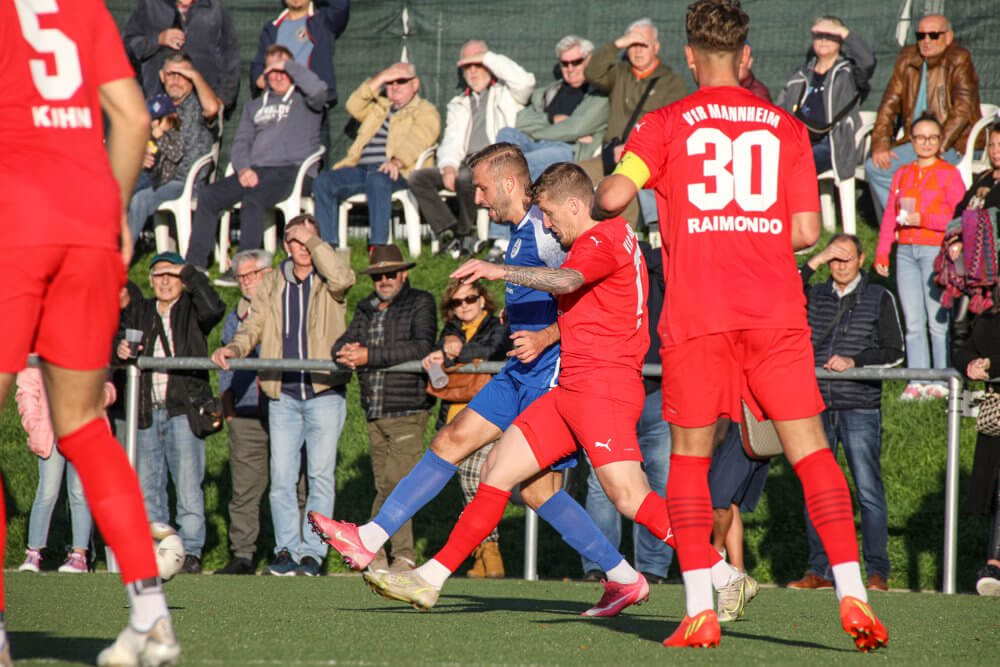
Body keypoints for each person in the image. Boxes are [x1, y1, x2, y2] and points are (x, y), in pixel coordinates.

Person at [592, 0, 888, 650]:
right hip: (774, 311)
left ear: (689, 56)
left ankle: (700, 607)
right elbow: (807, 231)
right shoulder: (786, 127)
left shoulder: (664, 123)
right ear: (745, 55)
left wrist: (613, 184)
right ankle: (854, 593)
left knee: (689, 463)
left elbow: (613, 197)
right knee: (813, 452)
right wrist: (748, 232)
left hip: (699, 315)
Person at [353, 162, 749, 619]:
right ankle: (429, 578)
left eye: (549, 214)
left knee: (629, 497)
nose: (546, 223)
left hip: (603, 390)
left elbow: (566, 279)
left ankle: (723, 574)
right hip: (571, 389)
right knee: (497, 471)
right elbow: (579, 295)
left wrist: (500, 271)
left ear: (575, 205)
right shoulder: (612, 235)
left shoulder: (599, 240)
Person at [1, 1, 180, 664]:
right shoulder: (84, 8)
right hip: (87, 222)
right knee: (82, 427)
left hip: (14, 218)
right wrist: (116, 209)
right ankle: (151, 616)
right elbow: (132, 117)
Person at [212, 215, 355, 577]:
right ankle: (286, 550)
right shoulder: (274, 281)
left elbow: (344, 279)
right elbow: (254, 324)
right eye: (295, 241)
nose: (303, 247)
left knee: (320, 477)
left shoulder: (331, 276)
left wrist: (315, 241)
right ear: (286, 246)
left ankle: (313, 554)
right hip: (283, 395)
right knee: (282, 479)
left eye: (309, 240)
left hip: (324, 391)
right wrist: (235, 348)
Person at [788, 234, 904, 592]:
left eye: (847, 258)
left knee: (868, 490)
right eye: (834, 259)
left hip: (859, 405)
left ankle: (876, 571)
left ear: (862, 260)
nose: (840, 265)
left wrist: (856, 361)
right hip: (815, 405)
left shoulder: (879, 296)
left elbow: (895, 352)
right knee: (816, 490)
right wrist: (816, 259)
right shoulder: (814, 294)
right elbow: (784, 289)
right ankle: (819, 569)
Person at [115, 251, 226, 575]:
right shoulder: (139, 310)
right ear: (150, 281)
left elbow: (215, 307)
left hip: (183, 411)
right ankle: (158, 551)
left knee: (189, 486)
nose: (165, 281)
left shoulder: (193, 309)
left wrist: (188, 271)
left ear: (182, 279)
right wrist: (119, 348)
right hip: (146, 411)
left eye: (172, 275)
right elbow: (116, 337)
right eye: (158, 275)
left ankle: (189, 552)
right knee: (149, 488)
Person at [330, 245, 437, 572]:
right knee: (387, 487)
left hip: (408, 409)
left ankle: (379, 550)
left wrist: (368, 356)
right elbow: (342, 342)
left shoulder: (421, 302)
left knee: (394, 486)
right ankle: (397, 554)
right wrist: (344, 353)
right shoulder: (366, 307)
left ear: (403, 273)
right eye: (378, 276)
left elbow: (421, 347)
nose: (385, 280)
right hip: (374, 411)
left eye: (391, 273)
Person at [185, 45, 328, 280]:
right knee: (209, 195)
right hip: (256, 171)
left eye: (283, 70)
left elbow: (320, 90)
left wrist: (287, 65)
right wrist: (243, 169)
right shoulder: (254, 106)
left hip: (293, 170)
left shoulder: (306, 101)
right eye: (272, 70)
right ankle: (195, 264)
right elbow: (241, 143)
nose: (278, 76)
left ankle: (245, 268)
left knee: (254, 199)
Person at [581, 241, 674, 587]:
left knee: (656, 481)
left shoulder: (653, 265)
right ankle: (603, 563)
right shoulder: (597, 268)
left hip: (652, 390)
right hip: (609, 390)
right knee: (602, 483)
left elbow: (667, 260)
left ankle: (652, 567)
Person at [406, 40, 535, 259]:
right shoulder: (459, 103)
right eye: (467, 66)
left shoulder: (507, 94)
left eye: (478, 64)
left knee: (466, 176)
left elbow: (526, 82)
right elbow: (451, 140)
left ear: (489, 64)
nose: (473, 71)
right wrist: (448, 166)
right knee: (418, 178)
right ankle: (450, 231)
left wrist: (486, 58)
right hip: (465, 161)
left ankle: (465, 233)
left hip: (496, 161)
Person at [874, 114, 965, 401]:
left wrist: (923, 219)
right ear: (912, 141)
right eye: (920, 137)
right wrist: (883, 251)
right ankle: (917, 379)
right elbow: (890, 216)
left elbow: (959, 217)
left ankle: (942, 378)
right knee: (913, 321)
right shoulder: (902, 174)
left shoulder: (949, 174)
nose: (926, 143)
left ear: (940, 141)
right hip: (905, 251)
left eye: (932, 138)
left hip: (934, 250)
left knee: (937, 321)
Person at [423, 279, 509, 577]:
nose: (464, 306)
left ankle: (491, 551)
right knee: (470, 486)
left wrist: (454, 352)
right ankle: (484, 553)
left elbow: (494, 348)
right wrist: (440, 353)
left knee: (475, 477)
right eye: (457, 302)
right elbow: (438, 356)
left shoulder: (496, 326)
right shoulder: (449, 331)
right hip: (456, 418)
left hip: (490, 416)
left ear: (483, 300)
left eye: (470, 299)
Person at [865, 13, 981, 220]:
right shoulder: (907, 58)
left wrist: (938, 144)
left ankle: (919, 223)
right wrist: (880, 142)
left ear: (948, 37)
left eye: (934, 35)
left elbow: (963, 109)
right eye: (921, 35)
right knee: (876, 167)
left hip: (953, 143)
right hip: (915, 140)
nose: (926, 41)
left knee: (917, 170)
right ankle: (904, 223)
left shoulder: (959, 59)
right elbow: (889, 103)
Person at [312, 62, 440, 246]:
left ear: (415, 84)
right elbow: (353, 105)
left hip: (400, 172)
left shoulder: (425, 110)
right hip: (361, 169)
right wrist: (381, 78)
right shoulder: (379, 107)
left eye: (401, 81)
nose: (394, 86)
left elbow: (418, 139)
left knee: (377, 180)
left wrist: (397, 162)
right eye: (390, 82)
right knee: (324, 181)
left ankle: (379, 247)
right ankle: (328, 247)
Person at [580, 17, 687, 228]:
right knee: (575, 177)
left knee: (622, 195)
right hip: (609, 155)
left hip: (645, 159)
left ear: (656, 47)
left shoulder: (671, 83)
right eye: (632, 45)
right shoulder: (620, 73)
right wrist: (618, 44)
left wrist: (633, 149)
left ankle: (627, 241)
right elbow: (592, 72)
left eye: (643, 44)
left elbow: (676, 127)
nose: (637, 51)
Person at [15, 368, 113, 574]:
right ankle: (33, 552)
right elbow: (27, 389)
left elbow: (107, 386)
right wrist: (33, 425)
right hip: (49, 431)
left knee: (79, 492)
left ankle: (79, 555)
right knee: (47, 492)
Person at [214, 249, 274, 575]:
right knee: (244, 488)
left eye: (253, 274)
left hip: (284, 406)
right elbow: (226, 371)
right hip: (245, 410)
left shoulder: (285, 307)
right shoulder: (233, 317)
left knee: (293, 484)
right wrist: (229, 409)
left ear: (269, 274)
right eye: (241, 277)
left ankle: (296, 552)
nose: (247, 282)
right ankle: (243, 554)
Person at [126, 54, 221, 248]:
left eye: (183, 75)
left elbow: (213, 108)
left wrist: (194, 75)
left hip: (185, 182)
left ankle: (119, 258)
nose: (176, 80)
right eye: (171, 74)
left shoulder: (198, 104)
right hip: (152, 177)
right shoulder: (155, 105)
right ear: (162, 76)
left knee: (139, 199)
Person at [496, 36, 608, 179]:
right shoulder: (548, 92)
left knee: (519, 165)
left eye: (576, 62)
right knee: (507, 133)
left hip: (567, 148)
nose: (570, 69)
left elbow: (574, 129)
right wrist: (551, 119)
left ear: (589, 60)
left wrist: (535, 130)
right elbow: (520, 121)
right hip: (536, 143)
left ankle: (499, 183)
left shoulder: (599, 94)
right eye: (565, 63)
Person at [776, 16, 875, 177]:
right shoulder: (800, 75)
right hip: (799, 140)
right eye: (818, 35)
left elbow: (868, 61)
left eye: (830, 35)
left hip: (834, 142)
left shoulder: (848, 73)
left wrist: (843, 32)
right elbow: (781, 109)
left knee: (799, 162)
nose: (823, 40)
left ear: (840, 39)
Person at [952, 285, 1000, 597]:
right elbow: (962, 349)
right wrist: (970, 363)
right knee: (996, 490)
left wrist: (990, 363)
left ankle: (995, 564)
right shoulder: (988, 319)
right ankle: (994, 565)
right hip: (996, 415)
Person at [123, 0, 241, 112]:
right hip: (156, 105)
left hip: (202, 106)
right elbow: (127, 46)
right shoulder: (151, 4)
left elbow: (230, 55)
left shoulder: (214, 7)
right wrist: (158, 40)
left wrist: (221, 100)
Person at [250, 0, 350, 109]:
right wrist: (258, 77)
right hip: (278, 103)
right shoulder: (272, 27)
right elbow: (260, 61)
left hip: (311, 100)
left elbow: (341, 4)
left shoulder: (323, 20)